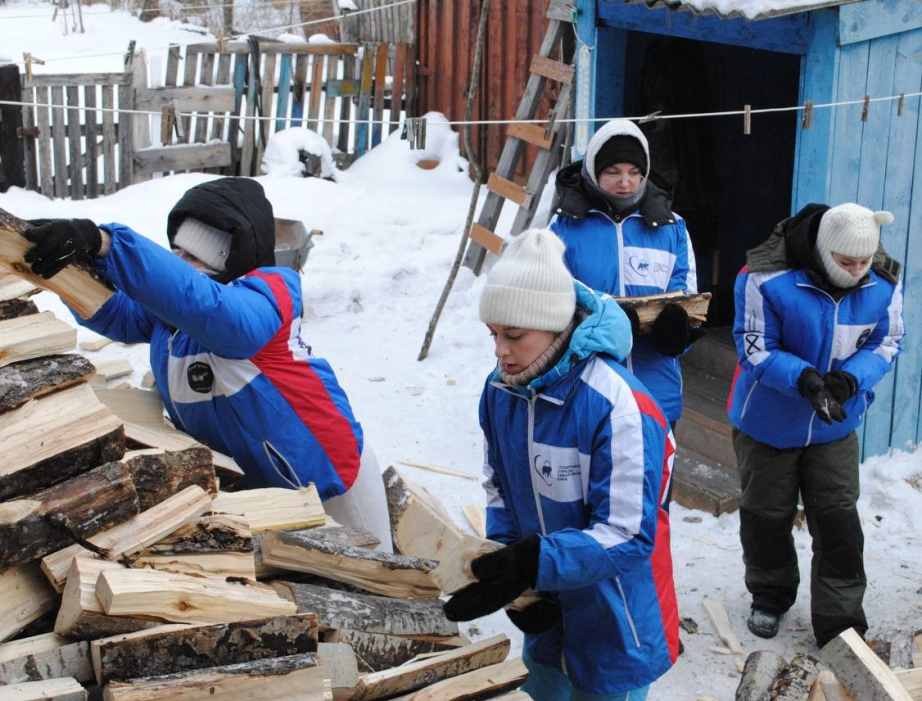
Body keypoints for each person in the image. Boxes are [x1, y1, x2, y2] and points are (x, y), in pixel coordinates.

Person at [23, 177, 393, 551]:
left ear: (233, 255)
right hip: (261, 495)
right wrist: (67, 269)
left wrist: (107, 243)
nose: (182, 263)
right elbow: (117, 314)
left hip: (328, 476)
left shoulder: (270, 294)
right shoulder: (174, 313)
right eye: (178, 252)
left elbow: (216, 313)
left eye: (198, 255)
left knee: (380, 579)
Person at [443, 228, 679, 700]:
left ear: (554, 326)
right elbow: (500, 487)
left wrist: (531, 564)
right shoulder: (501, 391)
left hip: (617, 624)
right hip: (547, 615)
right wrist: (510, 570)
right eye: (493, 334)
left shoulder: (619, 407)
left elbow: (627, 534)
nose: (499, 351)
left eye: (514, 335)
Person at [727, 202, 904, 647]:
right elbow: (755, 347)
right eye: (846, 262)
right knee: (767, 516)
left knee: (838, 522)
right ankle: (770, 594)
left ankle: (839, 619)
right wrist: (804, 379)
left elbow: (886, 341)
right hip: (769, 421)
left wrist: (850, 379)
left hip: (835, 425)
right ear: (824, 252)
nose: (857, 271)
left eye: (864, 261)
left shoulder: (883, 282)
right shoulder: (764, 278)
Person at [550, 118, 703, 442]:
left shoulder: (672, 228)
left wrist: (678, 335)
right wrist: (610, 329)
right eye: (613, 172)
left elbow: (688, 299)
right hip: (587, 392)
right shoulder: (564, 229)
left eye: (635, 172)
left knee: (655, 476)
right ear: (594, 171)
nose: (625, 183)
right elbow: (551, 310)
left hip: (656, 395)